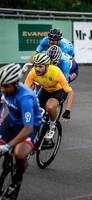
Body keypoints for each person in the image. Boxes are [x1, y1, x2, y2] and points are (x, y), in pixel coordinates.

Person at [0, 63, 42, 199]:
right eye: (1, 85)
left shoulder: (25, 97)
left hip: (28, 128)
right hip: (10, 123)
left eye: (6, 86)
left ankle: (17, 180)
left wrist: (8, 145)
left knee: (19, 154)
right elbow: (4, 107)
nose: (3, 89)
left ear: (16, 84)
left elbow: (28, 128)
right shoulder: (4, 88)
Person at [24, 53, 74, 139]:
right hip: (46, 89)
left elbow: (70, 92)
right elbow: (24, 91)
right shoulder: (33, 73)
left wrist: (68, 111)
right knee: (34, 109)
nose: (37, 69)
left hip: (59, 90)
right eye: (35, 66)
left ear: (47, 66)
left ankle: (52, 126)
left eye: (40, 66)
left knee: (49, 107)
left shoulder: (56, 72)